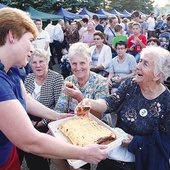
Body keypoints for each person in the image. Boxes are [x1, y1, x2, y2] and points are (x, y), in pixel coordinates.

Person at [0, 8, 108, 170]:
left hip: (7, 153)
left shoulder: (12, 69)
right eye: (30, 40)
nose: (32, 48)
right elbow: (29, 141)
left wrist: (57, 116)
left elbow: (26, 100)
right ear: (12, 36)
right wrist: (83, 153)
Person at [77, 46, 170, 170]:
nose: (138, 66)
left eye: (145, 64)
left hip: (140, 161)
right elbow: (110, 102)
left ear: (158, 75)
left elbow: (165, 142)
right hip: (114, 151)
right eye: (140, 61)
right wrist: (89, 102)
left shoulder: (167, 101)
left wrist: (135, 142)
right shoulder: (131, 84)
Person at [54, 42, 112, 170]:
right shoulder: (69, 80)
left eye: (82, 63)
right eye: (74, 63)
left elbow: (99, 116)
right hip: (73, 124)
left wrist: (80, 97)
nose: (78, 67)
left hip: (97, 128)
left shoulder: (101, 82)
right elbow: (60, 106)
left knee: (77, 157)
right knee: (51, 146)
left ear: (89, 63)